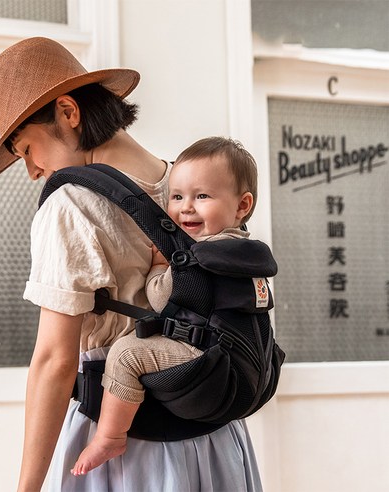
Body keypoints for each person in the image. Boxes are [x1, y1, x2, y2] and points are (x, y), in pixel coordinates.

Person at [0, 37, 263, 492]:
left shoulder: (70, 205)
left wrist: (26, 487)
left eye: (26, 148)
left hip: (127, 448)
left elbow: (55, 360)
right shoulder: (193, 186)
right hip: (215, 436)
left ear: (68, 113)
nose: (31, 170)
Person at [71, 136, 257, 476]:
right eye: (177, 196)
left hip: (204, 355)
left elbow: (160, 297)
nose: (186, 207)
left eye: (202, 196)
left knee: (127, 353)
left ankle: (111, 435)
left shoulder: (202, 256)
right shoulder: (242, 248)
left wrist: (160, 264)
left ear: (242, 206)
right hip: (230, 354)